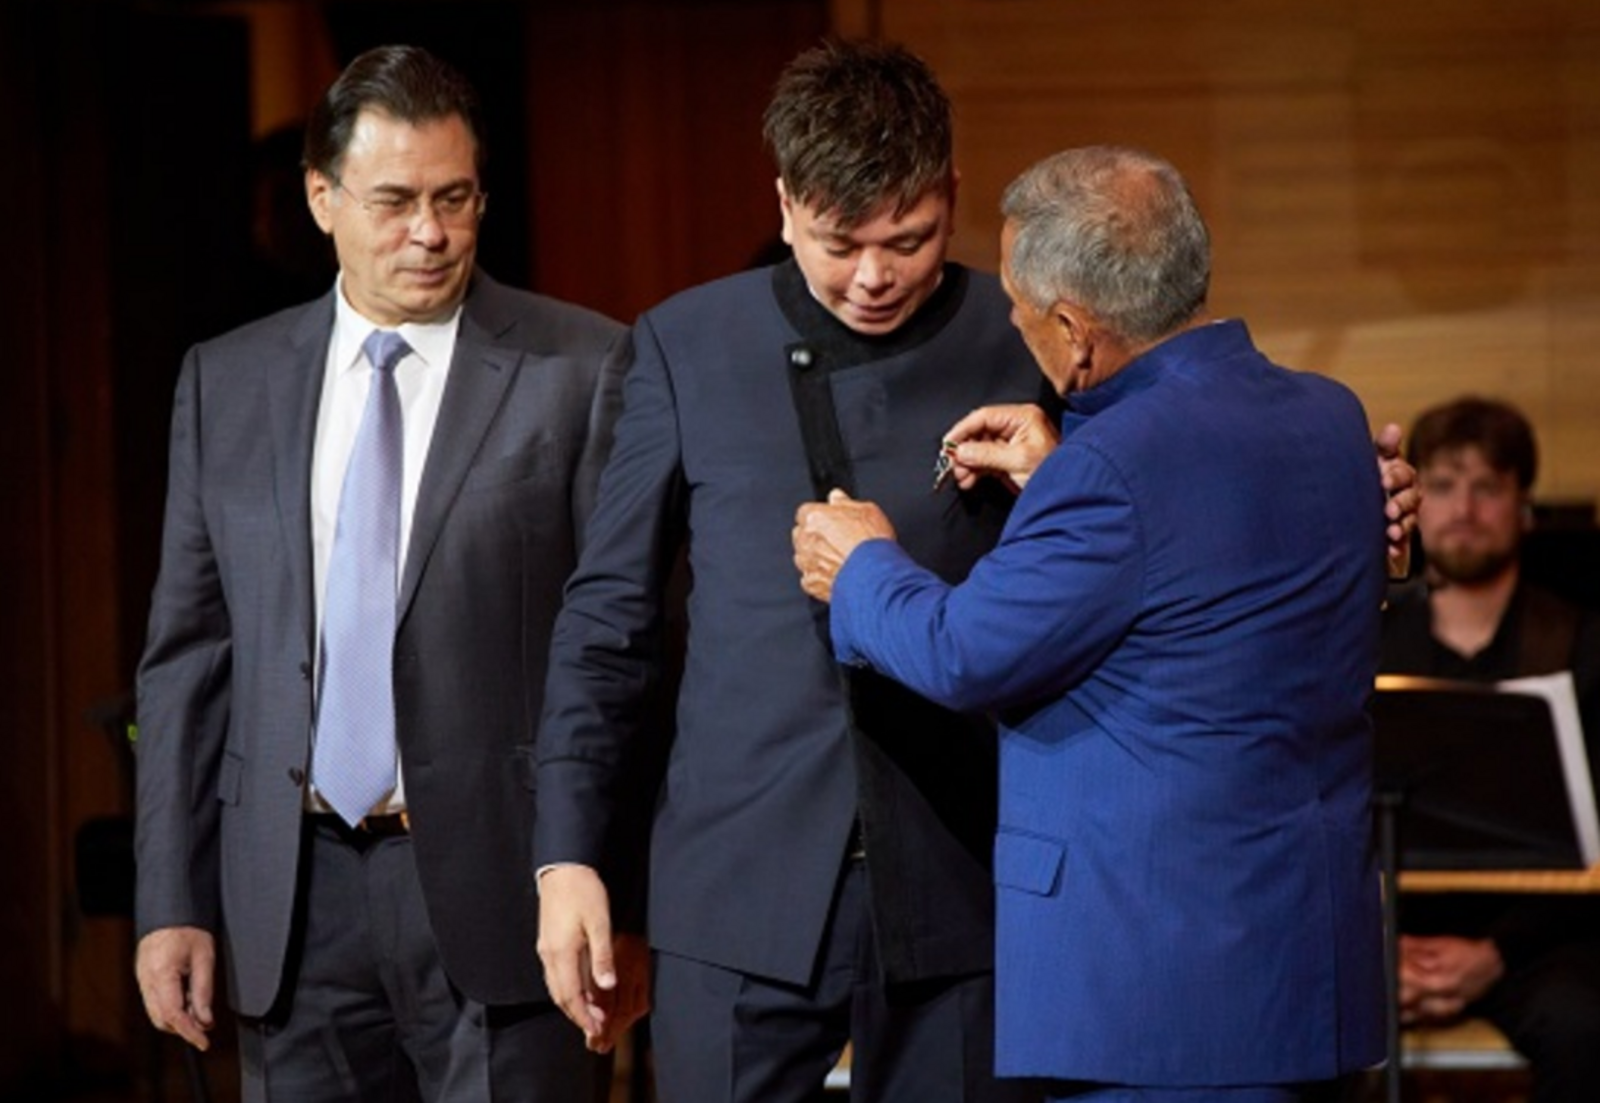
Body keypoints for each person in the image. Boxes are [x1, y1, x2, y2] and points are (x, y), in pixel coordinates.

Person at [535, 42, 1414, 1103]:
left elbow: (1169, 525)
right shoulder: (684, 343)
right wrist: (570, 855)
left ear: (951, 197)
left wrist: (1369, 518)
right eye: (838, 243)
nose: (872, 275)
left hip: (967, 883)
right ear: (784, 205)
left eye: (906, 240)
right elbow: (609, 621)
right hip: (738, 884)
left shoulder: (1035, 329)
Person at [792, 145, 1389, 1102]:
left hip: (1158, 1000)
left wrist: (861, 565)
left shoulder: (1113, 466)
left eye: (1020, 309)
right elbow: (1204, 574)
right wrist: (1063, 470)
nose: (1015, 326)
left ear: (1073, 331)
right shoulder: (1329, 415)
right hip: (1305, 977)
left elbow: (964, 651)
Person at [132, 44, 631, 1102]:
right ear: (322, 199)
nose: (431, 232)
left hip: (507, 892)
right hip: (290, 897)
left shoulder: (582, 369)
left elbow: (627, 649)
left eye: (455, 198)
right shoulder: (225, 382)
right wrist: (171, 896)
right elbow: (188, 659)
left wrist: (613, 885)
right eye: (396, 201)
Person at [1381, 396, 1600, 1103]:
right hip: (1386, 933)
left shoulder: (1583, 643)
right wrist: (1384, 946)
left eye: (1488, 487)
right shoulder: (1368, 639)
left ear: (1523, 506)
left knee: (1584, 1024)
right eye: (1444, 485)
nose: (1464, 508)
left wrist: (1495, 953)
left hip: (1537, 941)